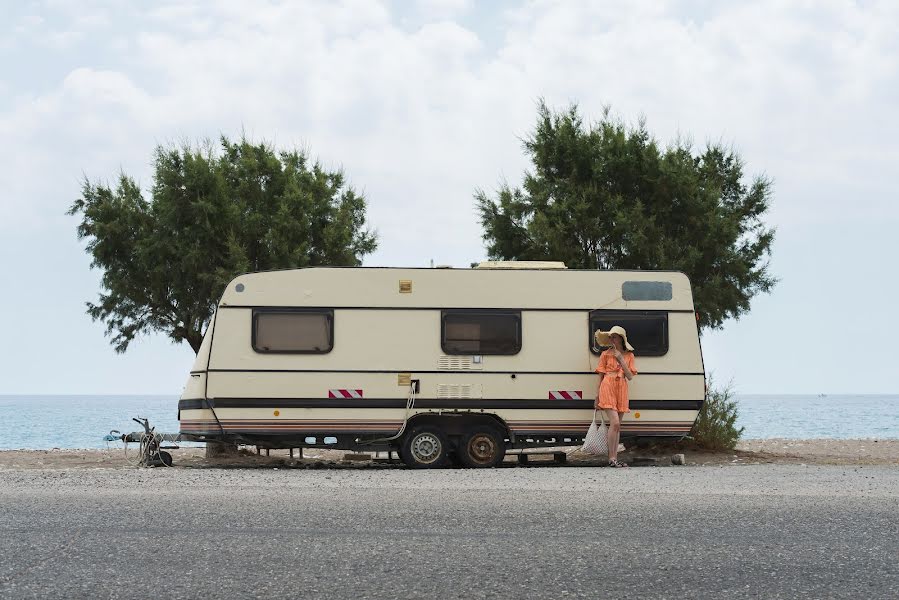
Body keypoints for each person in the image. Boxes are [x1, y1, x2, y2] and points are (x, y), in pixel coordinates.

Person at [594, 325, 638, 467]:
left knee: (617, 426)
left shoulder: (629, 355)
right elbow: (600, 376)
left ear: (621, 339)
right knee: (615, 423)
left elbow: (630, 376)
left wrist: (621, 359)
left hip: (621, 387)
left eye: (614, 336)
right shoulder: (605, 354)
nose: (611, 339)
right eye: (610, 337)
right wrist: (597, 396)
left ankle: (614, 458)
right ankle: (611, 457)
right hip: (607, 385)